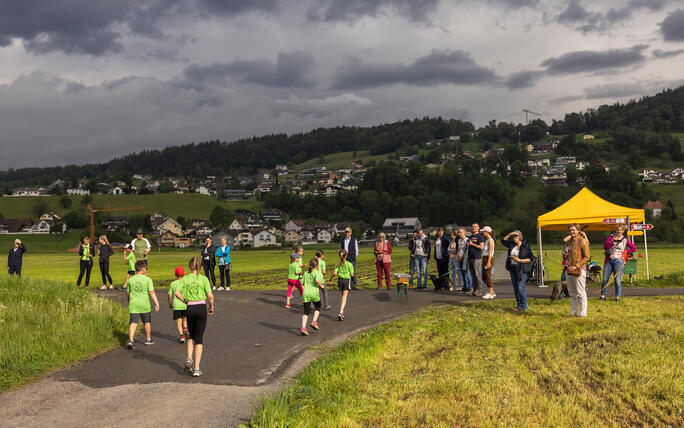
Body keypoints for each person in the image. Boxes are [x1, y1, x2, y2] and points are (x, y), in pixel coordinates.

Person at [173, 257, 215, 377]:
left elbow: (176, 292)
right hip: (201, 307)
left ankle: (189, 358)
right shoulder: (203, 279)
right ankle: (196, 368)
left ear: (189, 266)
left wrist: (185, 300)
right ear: (200, 267)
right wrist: (211, 306)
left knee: (191, 336)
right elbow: (210, 296)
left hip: (190, 307)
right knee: (199, 338)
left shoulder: (185, 278)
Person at [126, 260, 160, 350]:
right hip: (144, 304)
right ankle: (148, 339)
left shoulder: (131, 280)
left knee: (133, 322)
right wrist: (156, 303)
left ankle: (131, 340)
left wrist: (129, 301)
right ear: (143, 269)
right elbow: (151, 292)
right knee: (147, 322)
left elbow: (128, 293)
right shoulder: (148, 279)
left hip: (134, 304)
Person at [600, 225, 636, 302]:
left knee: (617, 280)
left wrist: (625, 252)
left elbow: (634, 248)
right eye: (618, 229)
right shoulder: (610, 237)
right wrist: (611, 242)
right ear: (616, 230)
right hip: (609, 260)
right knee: (605, 279)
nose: (619, 231)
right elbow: (605, 247)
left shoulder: (625, 240)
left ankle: (617, 297)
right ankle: (603, 296)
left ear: (623, 231)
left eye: (621, 230)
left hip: (619, 261)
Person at [502, 230, 534, 311]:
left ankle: (524, 306)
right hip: (512, 268)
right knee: (516, 288)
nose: (514, 238)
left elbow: (531, 258)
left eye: (515, 236)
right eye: (513, 237)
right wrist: (510, 233)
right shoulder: (512, 245)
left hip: (522, 270)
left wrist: (520, 260)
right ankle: (519, 305)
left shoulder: (526, 246)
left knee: (520, 287)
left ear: (520, 237)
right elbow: (503, 241)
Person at [564, 223, 590, 317]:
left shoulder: (582, 241)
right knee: (572, 292)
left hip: (579, 269)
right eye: (570, 230)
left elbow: (587, 257)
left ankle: (583, 313)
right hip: (569, 268)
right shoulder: (570, 241)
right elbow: (565, 243)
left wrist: (577, 265)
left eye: (574, 230)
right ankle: (573, 312)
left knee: (580, 292)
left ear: (578, 230)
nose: (572, 232)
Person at [329, 249, 354, 321]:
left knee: (342, 295)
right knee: (344, 297)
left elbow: (335, 273)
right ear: (346, 256)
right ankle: (340, 311)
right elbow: (352, 275)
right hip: (346, 280)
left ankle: (342, 312)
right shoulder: (349, 264)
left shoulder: (337, 264)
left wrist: (330, 278)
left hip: (340, 280)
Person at [300, 258, 323, 336]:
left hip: (305, 293)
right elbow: (317, 281)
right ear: (317, 265)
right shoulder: (317, 273)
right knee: (318, 307)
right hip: (314, 293)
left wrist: (305, 290)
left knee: (306, 312)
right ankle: (314, 322)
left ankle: (303, 328)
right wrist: (322, 286)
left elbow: (301, 284)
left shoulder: (306, 273)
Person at [168, 266, 189, 343]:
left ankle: (181, 335)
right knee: (185, 318)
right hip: (185, 304)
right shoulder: (186, 282)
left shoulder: (172, 284)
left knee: (178, 320)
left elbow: (170, 294)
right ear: (183, 274)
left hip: (177, 305)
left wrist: (170, 303)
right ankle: (185, 329)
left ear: (175, 274)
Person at [466, 223, 485, 296]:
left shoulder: (479, 236)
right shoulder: (470, 236)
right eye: (472, 226)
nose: (473, 228)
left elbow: (481, 247)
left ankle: (479, 290)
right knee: (473, 275)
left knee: (477, 275)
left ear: (478, 228)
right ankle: (473, 289)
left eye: (475, 227)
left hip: (476, 258)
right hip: (470, 257)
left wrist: (472, 244)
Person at [481, 226, 496, 300]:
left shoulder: (490, 240)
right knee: (483, 276)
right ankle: (492, 291)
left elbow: (490, 252)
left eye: (483, 231)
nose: (482, 233)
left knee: (487, 275)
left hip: (488, 258)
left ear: (487, 232)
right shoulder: (486, 240)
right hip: (484, 258)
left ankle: (491, 292)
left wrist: (488, 262)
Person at [456, 227, 472, 294]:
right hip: (459, 258)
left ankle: (469, 288)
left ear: (464, 233)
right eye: (458, 232)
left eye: (461, 232)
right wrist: (457, 256)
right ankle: (465, 287)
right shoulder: (459, 240)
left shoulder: (467, 240)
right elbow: (459, 249)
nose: (459, 233)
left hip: (465, 258)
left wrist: (461, 257)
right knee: (462, 274)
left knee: (467, 274)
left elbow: (466, 251)